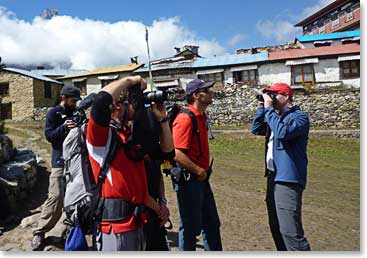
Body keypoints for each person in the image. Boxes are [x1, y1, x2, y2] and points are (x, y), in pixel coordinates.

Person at [87, 75, 172, 251]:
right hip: (116, 226)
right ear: (117, 105)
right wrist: (130, 80)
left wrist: (162, 119)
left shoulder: (130, 136)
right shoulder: (102, 138)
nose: (140, 107)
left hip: (137, 221)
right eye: (135, 102)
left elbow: (168, 153)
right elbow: (100, 102)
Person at [251, 82, 311, 251]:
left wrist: (270, 110)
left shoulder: (299, 117)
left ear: (286, 96)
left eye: (274, 94)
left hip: (287, 178)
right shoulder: (276, 117)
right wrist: (262, 108)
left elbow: (283, 133)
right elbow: (256, 129)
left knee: (290, 231)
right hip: (273, 176)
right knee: (276, 226)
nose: (271, 98)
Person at [172, 79, 222, 251]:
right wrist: (198, 170)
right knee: (190, 226)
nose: (210, 93)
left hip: (201, 178)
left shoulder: (201, 116)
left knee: (211, 223)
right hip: (190, 180)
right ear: (195, 95)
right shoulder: (185, 119)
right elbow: (177, 153)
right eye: (206, 90)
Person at [31, 85, 81, 250]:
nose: (75, 104)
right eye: (72, 101)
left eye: (76, 101)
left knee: (75, 199)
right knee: (56, 196)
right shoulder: (53, 113)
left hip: (76, 163)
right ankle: (39, 232)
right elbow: (49, 136)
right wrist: (64, 127)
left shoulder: (76, 112)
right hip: (59, 162)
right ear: (63, 98)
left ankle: (68, 232)